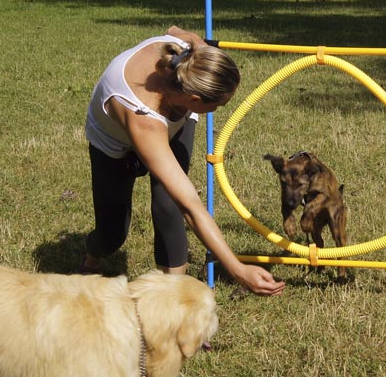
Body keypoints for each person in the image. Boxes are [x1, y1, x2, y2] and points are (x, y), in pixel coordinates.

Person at [82, 26, 285, 297]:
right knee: (112, 234)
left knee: (168, 205)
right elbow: (193, 207)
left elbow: (178, 31)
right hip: (113, 142)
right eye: (217, 106)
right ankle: (92, 259)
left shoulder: (190, 54)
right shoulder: (144, 118)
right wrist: (237, 269)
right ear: (194, 98)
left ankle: (171, 302)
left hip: (173, 117)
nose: (216, 112)